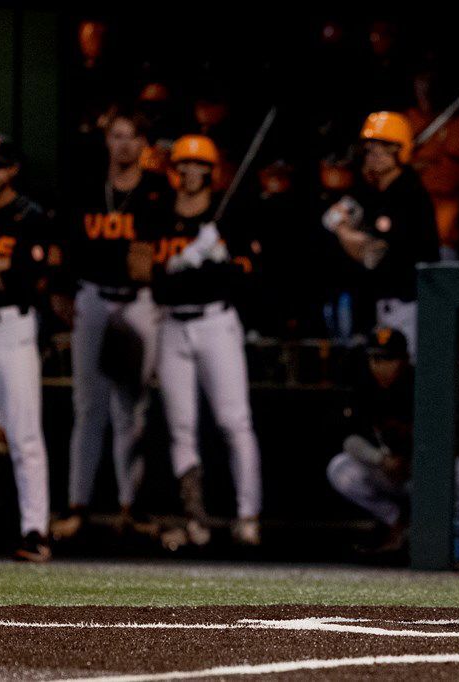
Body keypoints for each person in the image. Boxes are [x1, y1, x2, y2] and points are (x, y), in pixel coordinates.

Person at [53, 107, 170, 541]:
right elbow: (64, 243)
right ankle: (77, 505)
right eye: (117, 135)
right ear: (107, 140)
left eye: (132, 137)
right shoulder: (87, 187)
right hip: (94, 296)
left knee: (132, 409)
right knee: (89, 408)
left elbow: (157, 254)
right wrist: (60, 291)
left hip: (138, 302)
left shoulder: (156, 190)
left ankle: (131, 506)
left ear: (143, 144)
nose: (124, 144)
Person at [152, 134, 263, 548]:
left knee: (234, 422)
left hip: (216, 321)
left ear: (210, 172)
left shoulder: (228, 216)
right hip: (172, 325)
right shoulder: (160, 213)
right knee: (181, 426)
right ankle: (194, 516)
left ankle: (247, 514)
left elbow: (246, 273)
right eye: (183, 165)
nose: (189, 173)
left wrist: (215, 260)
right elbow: (148, 275)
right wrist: (182, 261)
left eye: (198, 166)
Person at [0, 133, 52, 562]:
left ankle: (36, 530)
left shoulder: (30, 215)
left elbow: (26, 277)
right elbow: (8, 268)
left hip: (12, 327)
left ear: (14, 170)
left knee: (24, 433)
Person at [327, 327, 459, 555]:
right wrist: (382, 460)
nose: (379, 366)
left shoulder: (424, 386)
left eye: (387, 359)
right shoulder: (364, 386)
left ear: (404, 359)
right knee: (339, 468)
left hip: (423, 475)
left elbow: (451, 440)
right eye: (374, 358)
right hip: (387, 471)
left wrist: (414, 462)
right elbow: (350, 440)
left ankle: (436, 535)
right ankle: (396, 520)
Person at [323, 112, 439, 356]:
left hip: (411, 304)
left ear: (399, 151)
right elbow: (331, 216)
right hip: (382, 304)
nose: (373, 156)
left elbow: (372, 254)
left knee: (407, 374)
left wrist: (343, 230)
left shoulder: (409, 193)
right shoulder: (374, 191)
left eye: (381, 148)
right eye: (369, 149)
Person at [406, 69, 459, 260]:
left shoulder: (458, 125)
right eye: (420, 82)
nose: (424, 89)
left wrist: (417, 163)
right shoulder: (409, 119)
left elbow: (447, 179)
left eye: (429, 83)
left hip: (443, 235)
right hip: (406, 231)